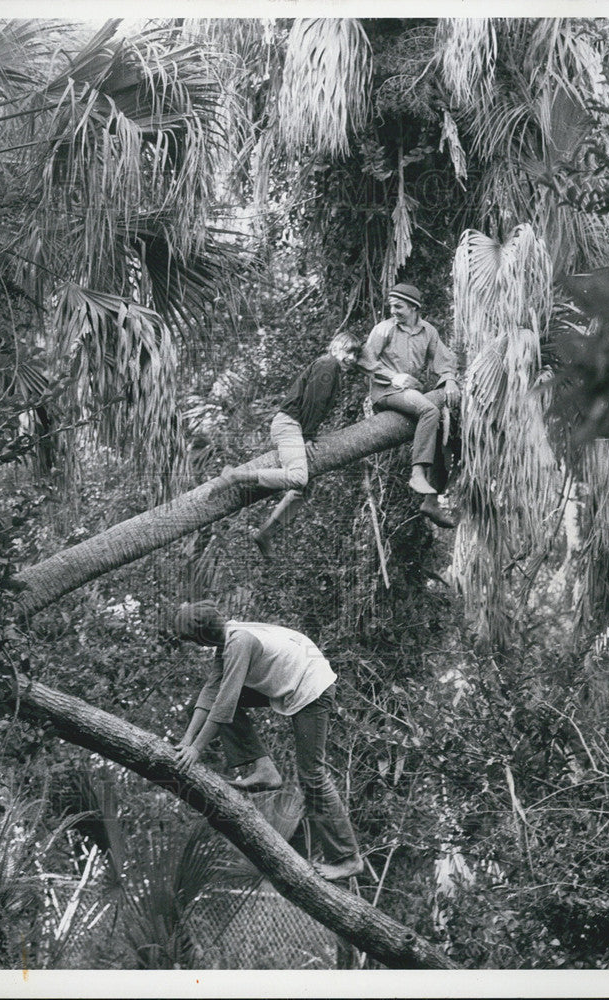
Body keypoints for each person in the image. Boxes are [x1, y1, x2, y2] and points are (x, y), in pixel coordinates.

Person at [173, 600, 364, 881]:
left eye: (192, 640)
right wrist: (187, 741)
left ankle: (348, 858)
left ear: (202, 638)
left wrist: (196, 751)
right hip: (294, 677)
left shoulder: (239, 642)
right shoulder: (229, 638)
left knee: (312, 775)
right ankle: (265, 770)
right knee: (222, 699)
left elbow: (224, 704)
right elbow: (211, 691)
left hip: (311, 686)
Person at [214, 332, 361, 558]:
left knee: (305, 488)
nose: (351, 358)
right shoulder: (327, 364)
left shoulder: (332, 369)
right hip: (290, 425)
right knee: (298, 477)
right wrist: (308, 436)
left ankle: (266, 533)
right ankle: (236, 475)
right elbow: (314, 401)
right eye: (348, 351)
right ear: (335, 347)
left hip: (293, 426)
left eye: (356, 354)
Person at [359, 282, 460, 528]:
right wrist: (393, 377)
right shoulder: (384, 329)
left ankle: (431, 501)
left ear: (414, 308)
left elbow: (445, 361)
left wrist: (449, 381)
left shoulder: (428, 332)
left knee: (440, 429)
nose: (393, 310)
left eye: (399, 306)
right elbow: (363, 359)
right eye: (391, 306)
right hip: (385, 392)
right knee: (429, 410)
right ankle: (417, 473)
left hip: (410, 394)